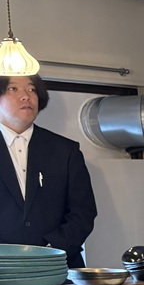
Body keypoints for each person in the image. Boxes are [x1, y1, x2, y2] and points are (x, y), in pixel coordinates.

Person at [0, 75, 97, 268]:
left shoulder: (65, 150)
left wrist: (51, 250)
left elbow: (83, 212)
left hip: (60, 269)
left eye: (32, 89)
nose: (26, 96)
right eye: (13, 89)